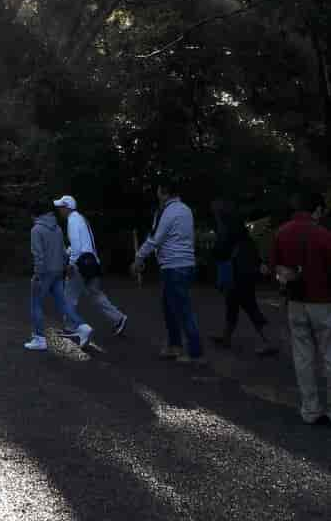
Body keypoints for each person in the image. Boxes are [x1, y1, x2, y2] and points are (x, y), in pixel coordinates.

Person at [269, 191, 331, 425]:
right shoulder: (324, 235)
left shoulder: (282, 232)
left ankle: (310, 409)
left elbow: (275, 267)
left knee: (303, 356)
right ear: (317, 210)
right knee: (329, 355)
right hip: (323, 301)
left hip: (295, 301)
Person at [132, 180, 204, 364]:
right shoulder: (186, 210)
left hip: (174, 266)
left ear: (163, 192)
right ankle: (175, 345)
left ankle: (194, 352)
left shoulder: (167, 211)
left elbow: (156, 238)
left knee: (182, 309)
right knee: (170, 308)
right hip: (185, 263)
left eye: (158, 191)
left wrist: (139, 257)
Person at [210, 200, 277, 356]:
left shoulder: (226, 228)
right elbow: (250, 247)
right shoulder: (239, 227)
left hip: (237, 272)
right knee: (234, 304)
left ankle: (269, 341)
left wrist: (214, 253)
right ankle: (226, 337)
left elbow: (221, 250)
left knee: (248, 306)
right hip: (245, 269)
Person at [54, 194, 128, 336]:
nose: (59, 211)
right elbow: (84, 244)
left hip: (80, 264)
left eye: (61, 207)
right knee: (95, 294)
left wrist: (70, 263)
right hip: (92, 262)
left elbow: (77, 246)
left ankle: (70, 326)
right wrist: (70, 251)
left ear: (67, 208)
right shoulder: (81, 219)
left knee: (69, 295)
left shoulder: (72, 221)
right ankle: (118, 318)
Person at [25, 201, 93, 351]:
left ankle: (39, 338)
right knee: (63, 303)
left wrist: (37, 274)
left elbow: (38, 255)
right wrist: (63, 266)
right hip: (58, 271)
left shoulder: (36, 230)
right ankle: (82, 327)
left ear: (34, 215)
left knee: (36, 304)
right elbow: (63, 251)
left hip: (44, 273)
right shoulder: (57, 228)